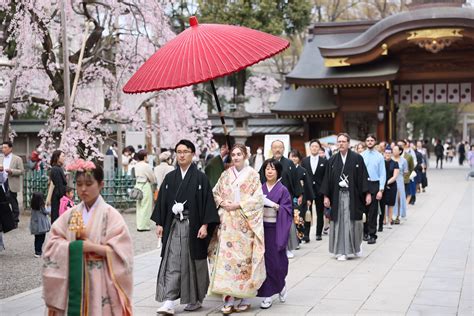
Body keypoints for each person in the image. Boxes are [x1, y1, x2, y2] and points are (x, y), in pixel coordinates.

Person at [42, 160, 133, 315]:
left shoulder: (111, 215)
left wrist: (93, 248)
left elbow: (123, 252)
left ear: (101, 184)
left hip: (101, 279)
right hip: (72, 277)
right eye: (78, 184)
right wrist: (71, 248)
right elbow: (52, 241)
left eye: (89, 184)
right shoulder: (70, 214)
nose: (83, 189)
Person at [152, 139, 220, 315]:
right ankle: (169, 301)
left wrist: (205, 225)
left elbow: (207, 203)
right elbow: (162, 202)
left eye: (185, 151)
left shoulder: (200, 178)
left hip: (193, 225)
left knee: (192, 263)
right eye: (179, 152)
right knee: (172, 261)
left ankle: (195, 299)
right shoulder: (170, 178)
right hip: (174, 225)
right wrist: (160, 223)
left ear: (192, 154)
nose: (181, 155)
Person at [209, 144, 266, 314]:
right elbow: (215, 192)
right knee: (226, 261)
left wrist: (239, 204)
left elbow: (258, 199)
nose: (235, 157)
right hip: (227, 222)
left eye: (239, 154)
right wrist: (222, 202)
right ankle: (228, 299)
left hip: (244, 222)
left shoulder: (253, 175)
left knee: (244, 260)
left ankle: (246, 297)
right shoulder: (225, 174)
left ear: (245, 155)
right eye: (233, 155)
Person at [320, 133, 371, 261]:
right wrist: (326, 196)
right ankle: (342, 251)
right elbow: (327, 179)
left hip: (353, 196)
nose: (341, 144)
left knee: (354, 222)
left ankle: (356, 247)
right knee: (340, 223)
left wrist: (368, 193)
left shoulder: (357, 158)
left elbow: (364, 176)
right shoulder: (332, 160)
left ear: (348, 143)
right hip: (337, 196)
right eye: (339, 141)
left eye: (343, 141)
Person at [258, 159, 292, 309]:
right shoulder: (259, 188)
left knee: (277, 262)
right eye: (267, 169)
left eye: (272, 169)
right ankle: (267, 294)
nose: (269, 172)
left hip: (276, 229)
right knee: (264, 262)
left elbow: (288, 210)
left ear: (278, 171)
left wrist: (274, 205)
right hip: (261, 229)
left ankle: (281, 283)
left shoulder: (283, 190)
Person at [259, 140, 302, 259]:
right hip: (268, 197)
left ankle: (287, 247)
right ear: (271, 149)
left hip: (285, 198)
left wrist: (299, 194)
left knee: (286, 223)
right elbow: (260, 179)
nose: (277, 150)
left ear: (284, 149)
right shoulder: (266, 164)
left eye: (280, 147)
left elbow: (295, 180)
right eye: (275, 147)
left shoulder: (289, 163)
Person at [361, 135, 386, 245]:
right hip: (363, 184)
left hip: (375, 184)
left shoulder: (379, 156)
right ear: (365, 142)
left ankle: (372, 234)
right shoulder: (361, 155)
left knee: (373, 211)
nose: (370, 142)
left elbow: (382, 174)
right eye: (368, 140)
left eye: (372, 140)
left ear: (375, 142)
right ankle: (364, 232)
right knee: (363, 210)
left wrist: (381, 189)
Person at [301, 139, 327, 242]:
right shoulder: (305, 161)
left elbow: (326, 177)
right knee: (307, 211)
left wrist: (324, 191)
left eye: (316, 146)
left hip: (319, 190)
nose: (314, 148)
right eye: (312, 146)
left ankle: (318, 233)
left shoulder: (324, 162)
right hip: (308, 190)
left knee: (320, 212)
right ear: (310, 148)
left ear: (319, 148)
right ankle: (306, 234)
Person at [288, 149, 313, 244]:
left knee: (300, 217)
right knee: (292, 218)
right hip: (290, 196)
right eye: (292, 156)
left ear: (299, 158)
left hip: (302, 197)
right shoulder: (287, 169)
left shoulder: (303, 171)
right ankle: (293, 238)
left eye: (295, 156)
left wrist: (309, 199)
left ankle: (301, 237)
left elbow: (307, 185)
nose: (294, 159)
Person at [0, 141, 24, 227]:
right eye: (2, 147)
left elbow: (21, 171)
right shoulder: (1, 158)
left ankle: (15, 221)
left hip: (11, 182)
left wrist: (12, 171)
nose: (3, 149)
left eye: (5, 147)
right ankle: (5, 221)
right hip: (2, 182)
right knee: (3, 202)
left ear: (10, 148)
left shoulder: (17, 159)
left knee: (13, 202)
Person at [134, 150, 156, 231]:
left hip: (138, 185)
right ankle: (144, 226)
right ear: (144, 157)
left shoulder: (136, 165)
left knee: (139, 206)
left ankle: (139, 225)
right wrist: (153, 181)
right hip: (145, 185)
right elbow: (152, 177)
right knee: (146, 206)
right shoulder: (146, 166)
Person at [380, 147, 399, 230]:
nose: (387, 154)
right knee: (382, 204)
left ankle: (389, 221)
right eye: (386, 152)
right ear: (384, 153)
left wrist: (386, 183)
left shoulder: (395, 163)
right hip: (382, 186)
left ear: (391, 153)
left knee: (390, 204)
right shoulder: (381, 163)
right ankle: (383, 220)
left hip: (391, 185)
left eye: (389, 152)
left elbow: (395, 176)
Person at [30, 192, 51, 258]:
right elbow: (46, 212)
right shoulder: (41, 206)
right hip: (41, 225)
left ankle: (37, 251)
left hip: (35, 225)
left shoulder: (33, 206)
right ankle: (38, 252)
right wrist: (49, 207)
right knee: (41, 239)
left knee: (36, 238)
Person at [48, 150, 67, 224]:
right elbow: (59, 185)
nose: (64, 158)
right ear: (57, 158)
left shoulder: (58, 168)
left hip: (58, 196)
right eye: (62, 156)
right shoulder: (56, 169)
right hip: (58, 197)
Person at [392, 145, 408, 224]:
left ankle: (397, 215)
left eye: (395, 149)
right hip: (391, 180)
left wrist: (400, 177)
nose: (393, 151)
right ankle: (391, 215)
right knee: (392, 198)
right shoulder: (390, 159)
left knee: (399, 198)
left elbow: (405, 172)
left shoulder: (404, 160)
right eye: (393, 149)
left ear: (400, 151)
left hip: (400, 180)